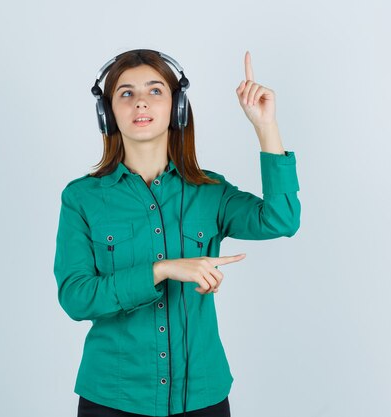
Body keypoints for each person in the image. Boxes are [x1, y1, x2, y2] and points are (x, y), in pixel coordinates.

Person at [53, 49, 301, 417]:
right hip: (113, 398)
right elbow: (76, 297)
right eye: (126, 93)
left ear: (177, 108)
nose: (140, 103)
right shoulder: (81, 198)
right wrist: (162, 269)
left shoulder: (210, 191)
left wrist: (266, 127)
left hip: (201, 396)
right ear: (107, 113)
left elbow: (282, 219)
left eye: (155, 91)